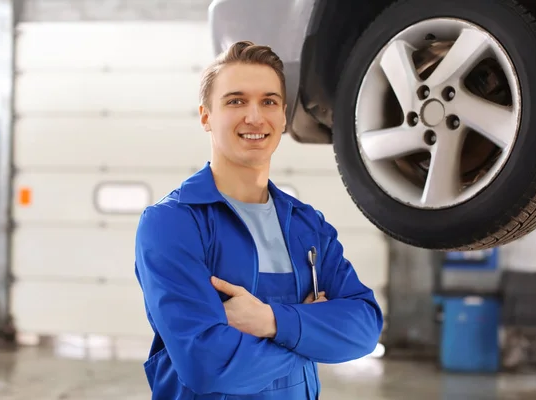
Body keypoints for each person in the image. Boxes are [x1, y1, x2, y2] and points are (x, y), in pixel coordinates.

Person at [134, 40, 384, 400]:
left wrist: (270, 320)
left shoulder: (306, 226)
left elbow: (364, 328)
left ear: (283, 117)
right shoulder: (172, 223)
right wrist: (310, 332)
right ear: (206, 116)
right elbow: (208, 365)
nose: (254, 117)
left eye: (268, 101)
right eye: (235, 101)